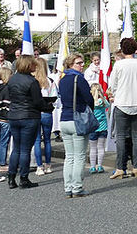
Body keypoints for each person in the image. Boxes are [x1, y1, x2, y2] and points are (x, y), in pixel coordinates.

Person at [6, 54, 50, 189]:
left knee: (16, 149)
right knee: (25, 149)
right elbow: (37, 102)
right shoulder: (32, 81)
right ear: (28, 65)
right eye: (33, 64)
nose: (35, 66)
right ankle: (24, 179)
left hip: (14, 115)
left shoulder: (12, 79)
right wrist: (48, 106)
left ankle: (11, 178)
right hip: (29, 116)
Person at [108, 37, 137, 179]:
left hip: (122, 102)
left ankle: (120, 167)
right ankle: (136, 166)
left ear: (122, 49)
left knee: (120, 136)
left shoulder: (119, 65)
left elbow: (113, 85)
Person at [58, 53, 95, 198]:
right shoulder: (79, 79)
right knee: (79, 156)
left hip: (64, 119)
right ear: (70, 64)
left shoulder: (62, 80)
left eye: (82, 63)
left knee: (69, 157)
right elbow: (88, 98)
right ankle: (77, 187)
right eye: (78, 63)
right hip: (77, 119)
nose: (82, 66)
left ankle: (68, 187)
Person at [32, 56, 57, 175]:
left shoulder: (32, 82)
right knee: (47, 140)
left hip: (35, 113)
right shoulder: (50, 81)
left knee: (37, 140)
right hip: (47, 113)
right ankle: (48, 165)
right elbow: (55, 98)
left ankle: (39, 166)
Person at [89, 83, 109, 174]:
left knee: (92, 148)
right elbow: (108, 105)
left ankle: (93, 167)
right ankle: (100, 166)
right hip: (103, 127)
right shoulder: (103, 101)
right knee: (101, 147)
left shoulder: (91, 102)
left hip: (93, 127)